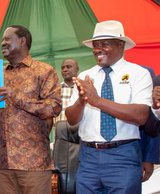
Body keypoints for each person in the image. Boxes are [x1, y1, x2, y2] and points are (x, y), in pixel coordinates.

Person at [65, 20, 153, 194]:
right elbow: (71, 119)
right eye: (95, 45)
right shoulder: (85, 75)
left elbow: (141, 115)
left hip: (123, 156)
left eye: (105, 44)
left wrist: (97, 101)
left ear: (120, 45)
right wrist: (81, 101)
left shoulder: (139, 74)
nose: (98, 49)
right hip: (88, 158)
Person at [0, 25, 62, 194]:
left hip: (34, 164)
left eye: (7, 39)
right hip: (4, 164)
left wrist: (16, 97)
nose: (2, 43)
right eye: (2, 40)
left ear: (22, 41)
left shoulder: (44, 71)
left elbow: (54, 107)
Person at [52, 58, 80, 194]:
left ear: (77, 69)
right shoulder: (56, 91)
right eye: (63, 67)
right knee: (62, 178)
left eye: (69, 66)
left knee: (79, 176)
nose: (65, 70)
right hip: (61, 140)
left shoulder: (82, 89)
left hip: (81, 138)